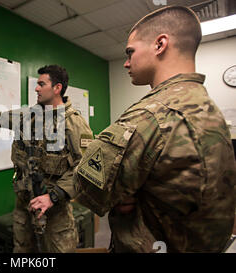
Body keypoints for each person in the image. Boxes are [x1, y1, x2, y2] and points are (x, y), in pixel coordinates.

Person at [73, 6, 235, 253]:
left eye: (130, 52)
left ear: (160, 44)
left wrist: (125, 193)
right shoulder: (206, 106)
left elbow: (86, 187)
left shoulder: (153, 114)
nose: (126, 63)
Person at [0, 65, 93, 252]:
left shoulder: (73, 123)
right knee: (21, 251)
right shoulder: (28, 116)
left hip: (54, 211)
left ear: (57, 88)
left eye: (41, 84)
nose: (36, 88)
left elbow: (86, 169)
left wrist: (53, 197)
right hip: (24, 204)